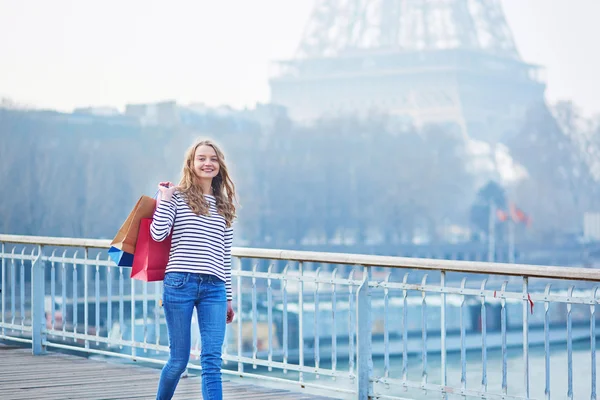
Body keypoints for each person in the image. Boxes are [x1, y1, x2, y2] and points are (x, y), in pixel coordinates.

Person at [151, 139, 236, 400]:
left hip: (215, 288)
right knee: (178, 361)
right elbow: (157, 234)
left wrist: (229, 298)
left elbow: (225, 256)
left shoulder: (224, 206)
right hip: (180, 284)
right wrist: (165, 199)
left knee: (212, 360)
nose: (207, 163)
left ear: (219, 166)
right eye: (201, 158)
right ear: (191, 164)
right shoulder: (176, 196)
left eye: (213, 158)